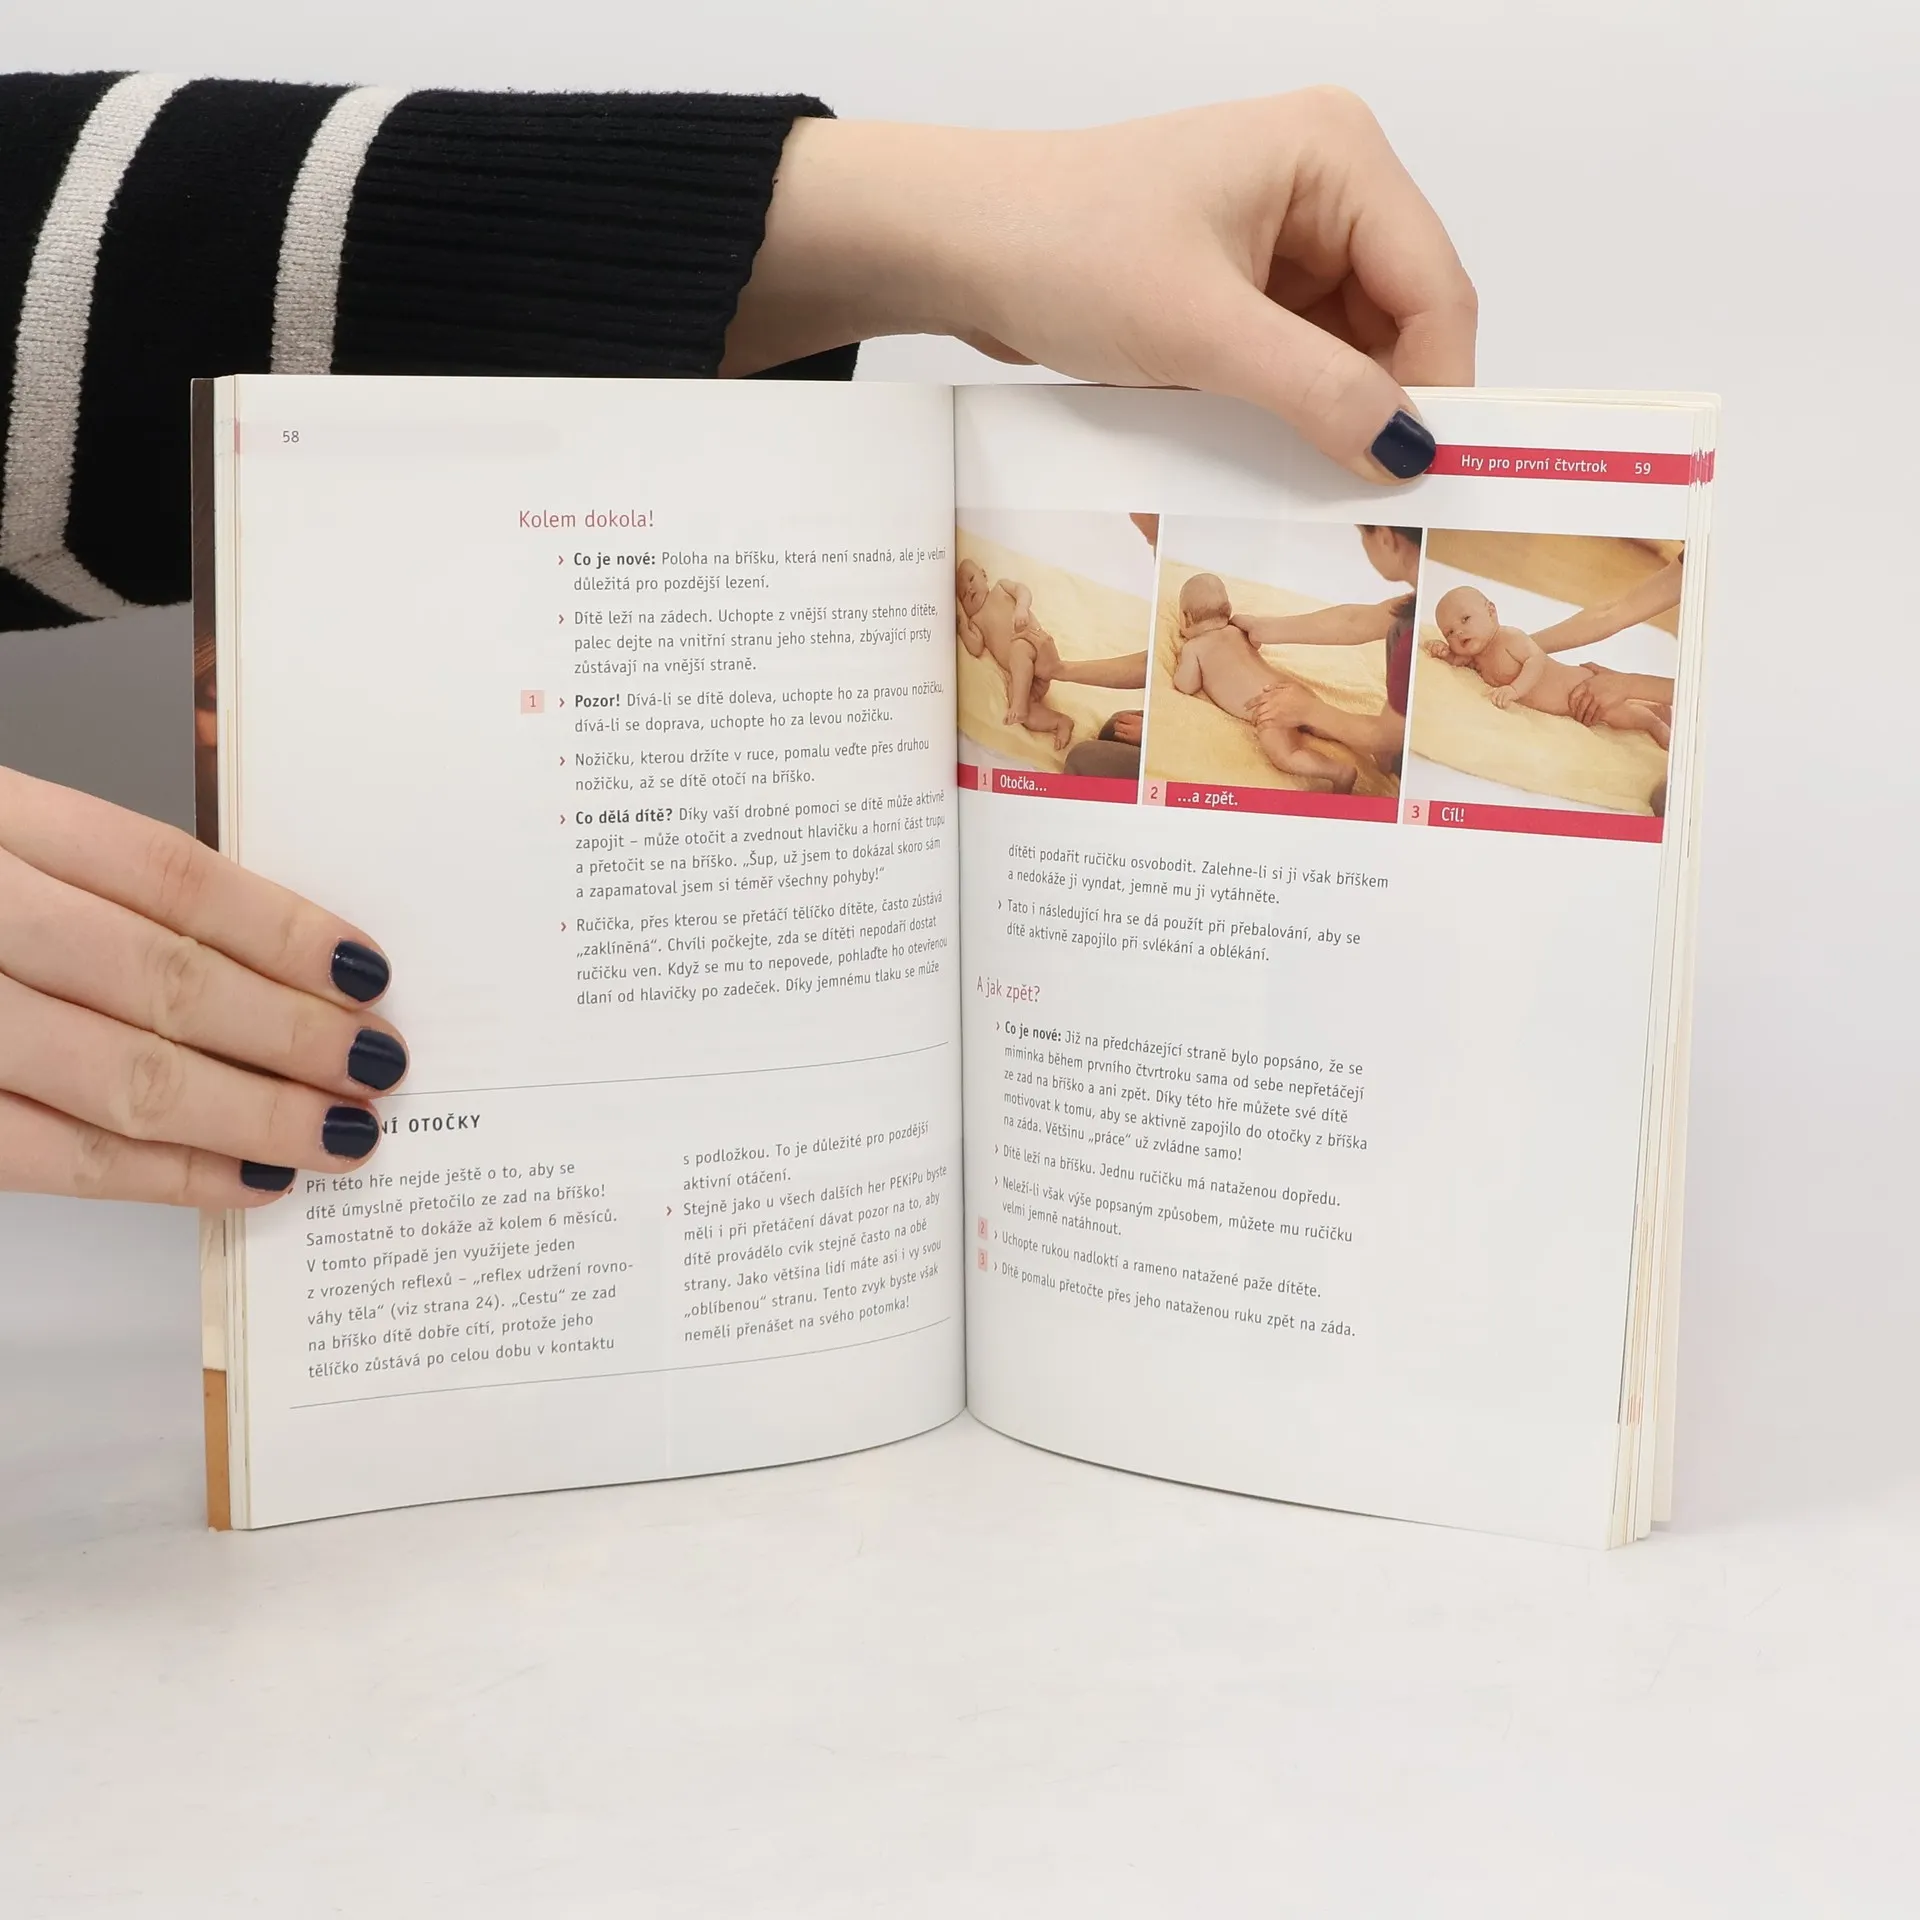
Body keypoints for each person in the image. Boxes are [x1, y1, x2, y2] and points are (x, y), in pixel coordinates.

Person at [0, 78, 1475, 1209]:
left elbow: (71, 321)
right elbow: (1108, 658)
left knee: (1239, 715)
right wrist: (1073, 672)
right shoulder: (1123, 637)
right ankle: (1288, 744)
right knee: (1105, 709)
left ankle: (1331, 745)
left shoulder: (1193, 633)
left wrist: (949, 218)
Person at [1234, 523, 1423, 771]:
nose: (1363, 544)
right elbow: (1355, 622)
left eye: (1362, 534)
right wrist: (1264, 628)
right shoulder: (1418, 602)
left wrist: (1309, 710)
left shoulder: (1411, 636)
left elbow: (1384, 737)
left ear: (1386, 538)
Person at [1171, 573, 1357, 790]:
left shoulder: (1193, 648)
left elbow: (1187, 685)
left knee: (1286, 755)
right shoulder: (1237, 630)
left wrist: (1180, 664)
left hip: (1267, 709)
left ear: (1186, 618)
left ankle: (1338, 772)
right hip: (1290, 688)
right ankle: (1364, 742)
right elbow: (1256, 642)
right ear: (1228, 610)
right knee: (1324, 722)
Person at [1426, 585, 1672, 745]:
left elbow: (1536, 662)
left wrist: (1514, 690)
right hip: (1568, 704)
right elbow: (1458, 661)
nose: (1458, 632)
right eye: (1449, 633)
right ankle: (1653, 705)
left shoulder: (1510, 637)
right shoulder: (1477, 655)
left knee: (1617, 715)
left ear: (1491, 611)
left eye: (1465, 619)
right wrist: (1443, 652)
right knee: (1613, 711)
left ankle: (1653, 723)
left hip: (1577, 688)